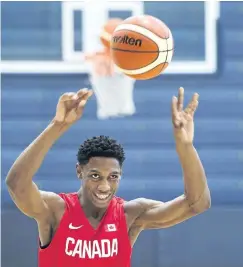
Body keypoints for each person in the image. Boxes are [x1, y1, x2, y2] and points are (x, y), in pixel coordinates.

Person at [5, 87, 211, 267]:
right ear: (79, 171)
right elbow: (17, 184)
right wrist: (57, 125)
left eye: (113, 177)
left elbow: (197, 204)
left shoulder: (130, 214)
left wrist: (185, 146)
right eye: (95, 175)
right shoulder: (56, 210)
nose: (104, 186)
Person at [85, 18, 136, 119]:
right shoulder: (99, 59)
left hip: (120, 108)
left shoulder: (125, 60)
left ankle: (116, 109)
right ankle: (112, 110)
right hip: (108, 109)